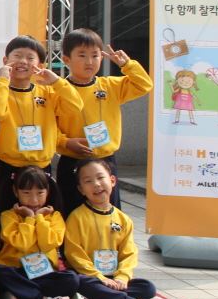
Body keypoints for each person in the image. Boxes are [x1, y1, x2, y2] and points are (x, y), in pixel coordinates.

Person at [64, 159, 181, 299]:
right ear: (81, 189)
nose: (96, 184)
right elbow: (74, 254)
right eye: (88, 181)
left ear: (112, 181)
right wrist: (99, 277)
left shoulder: (123, 219)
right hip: (90, 277)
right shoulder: (76, 217)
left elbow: (129, 253)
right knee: (79, 282)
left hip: (114, 278)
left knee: (147, 287)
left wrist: (122, 276)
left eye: (100, 178)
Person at [56, 29, 152, 215]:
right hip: (73, 161)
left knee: (108, 215)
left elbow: (144, 85)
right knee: (71, 213)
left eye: (95, 55)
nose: (90, 61)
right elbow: (49, 127)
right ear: (66, 59)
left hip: (105, 160)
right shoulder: (57, 90)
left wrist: (127, 65)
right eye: (82, 55)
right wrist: (65, 142)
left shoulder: (110, 86)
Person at [0, 35, 82, 217]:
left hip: (41, 166)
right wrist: (3, 80)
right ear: (5, 61)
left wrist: (57, 81)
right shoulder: (1, 90)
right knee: (8, 218)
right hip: (10, 167)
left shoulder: (47, 91)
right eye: (17, 56)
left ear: (40, 65)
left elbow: (75, 106)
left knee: (43, 218)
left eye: (30, 58)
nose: (23, 61)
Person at [0, 165, 79, 299]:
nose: (34, 200)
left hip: (44, 273)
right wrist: (30, 219)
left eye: (40, 193)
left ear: (47, 192)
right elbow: (22, 244)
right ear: (15, 192)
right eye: (26, 193)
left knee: (72, 279)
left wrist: (40, 218)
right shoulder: (8, 216)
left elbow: (47, 244)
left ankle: (20, 295)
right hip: (16, 271)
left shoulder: (55, 217)